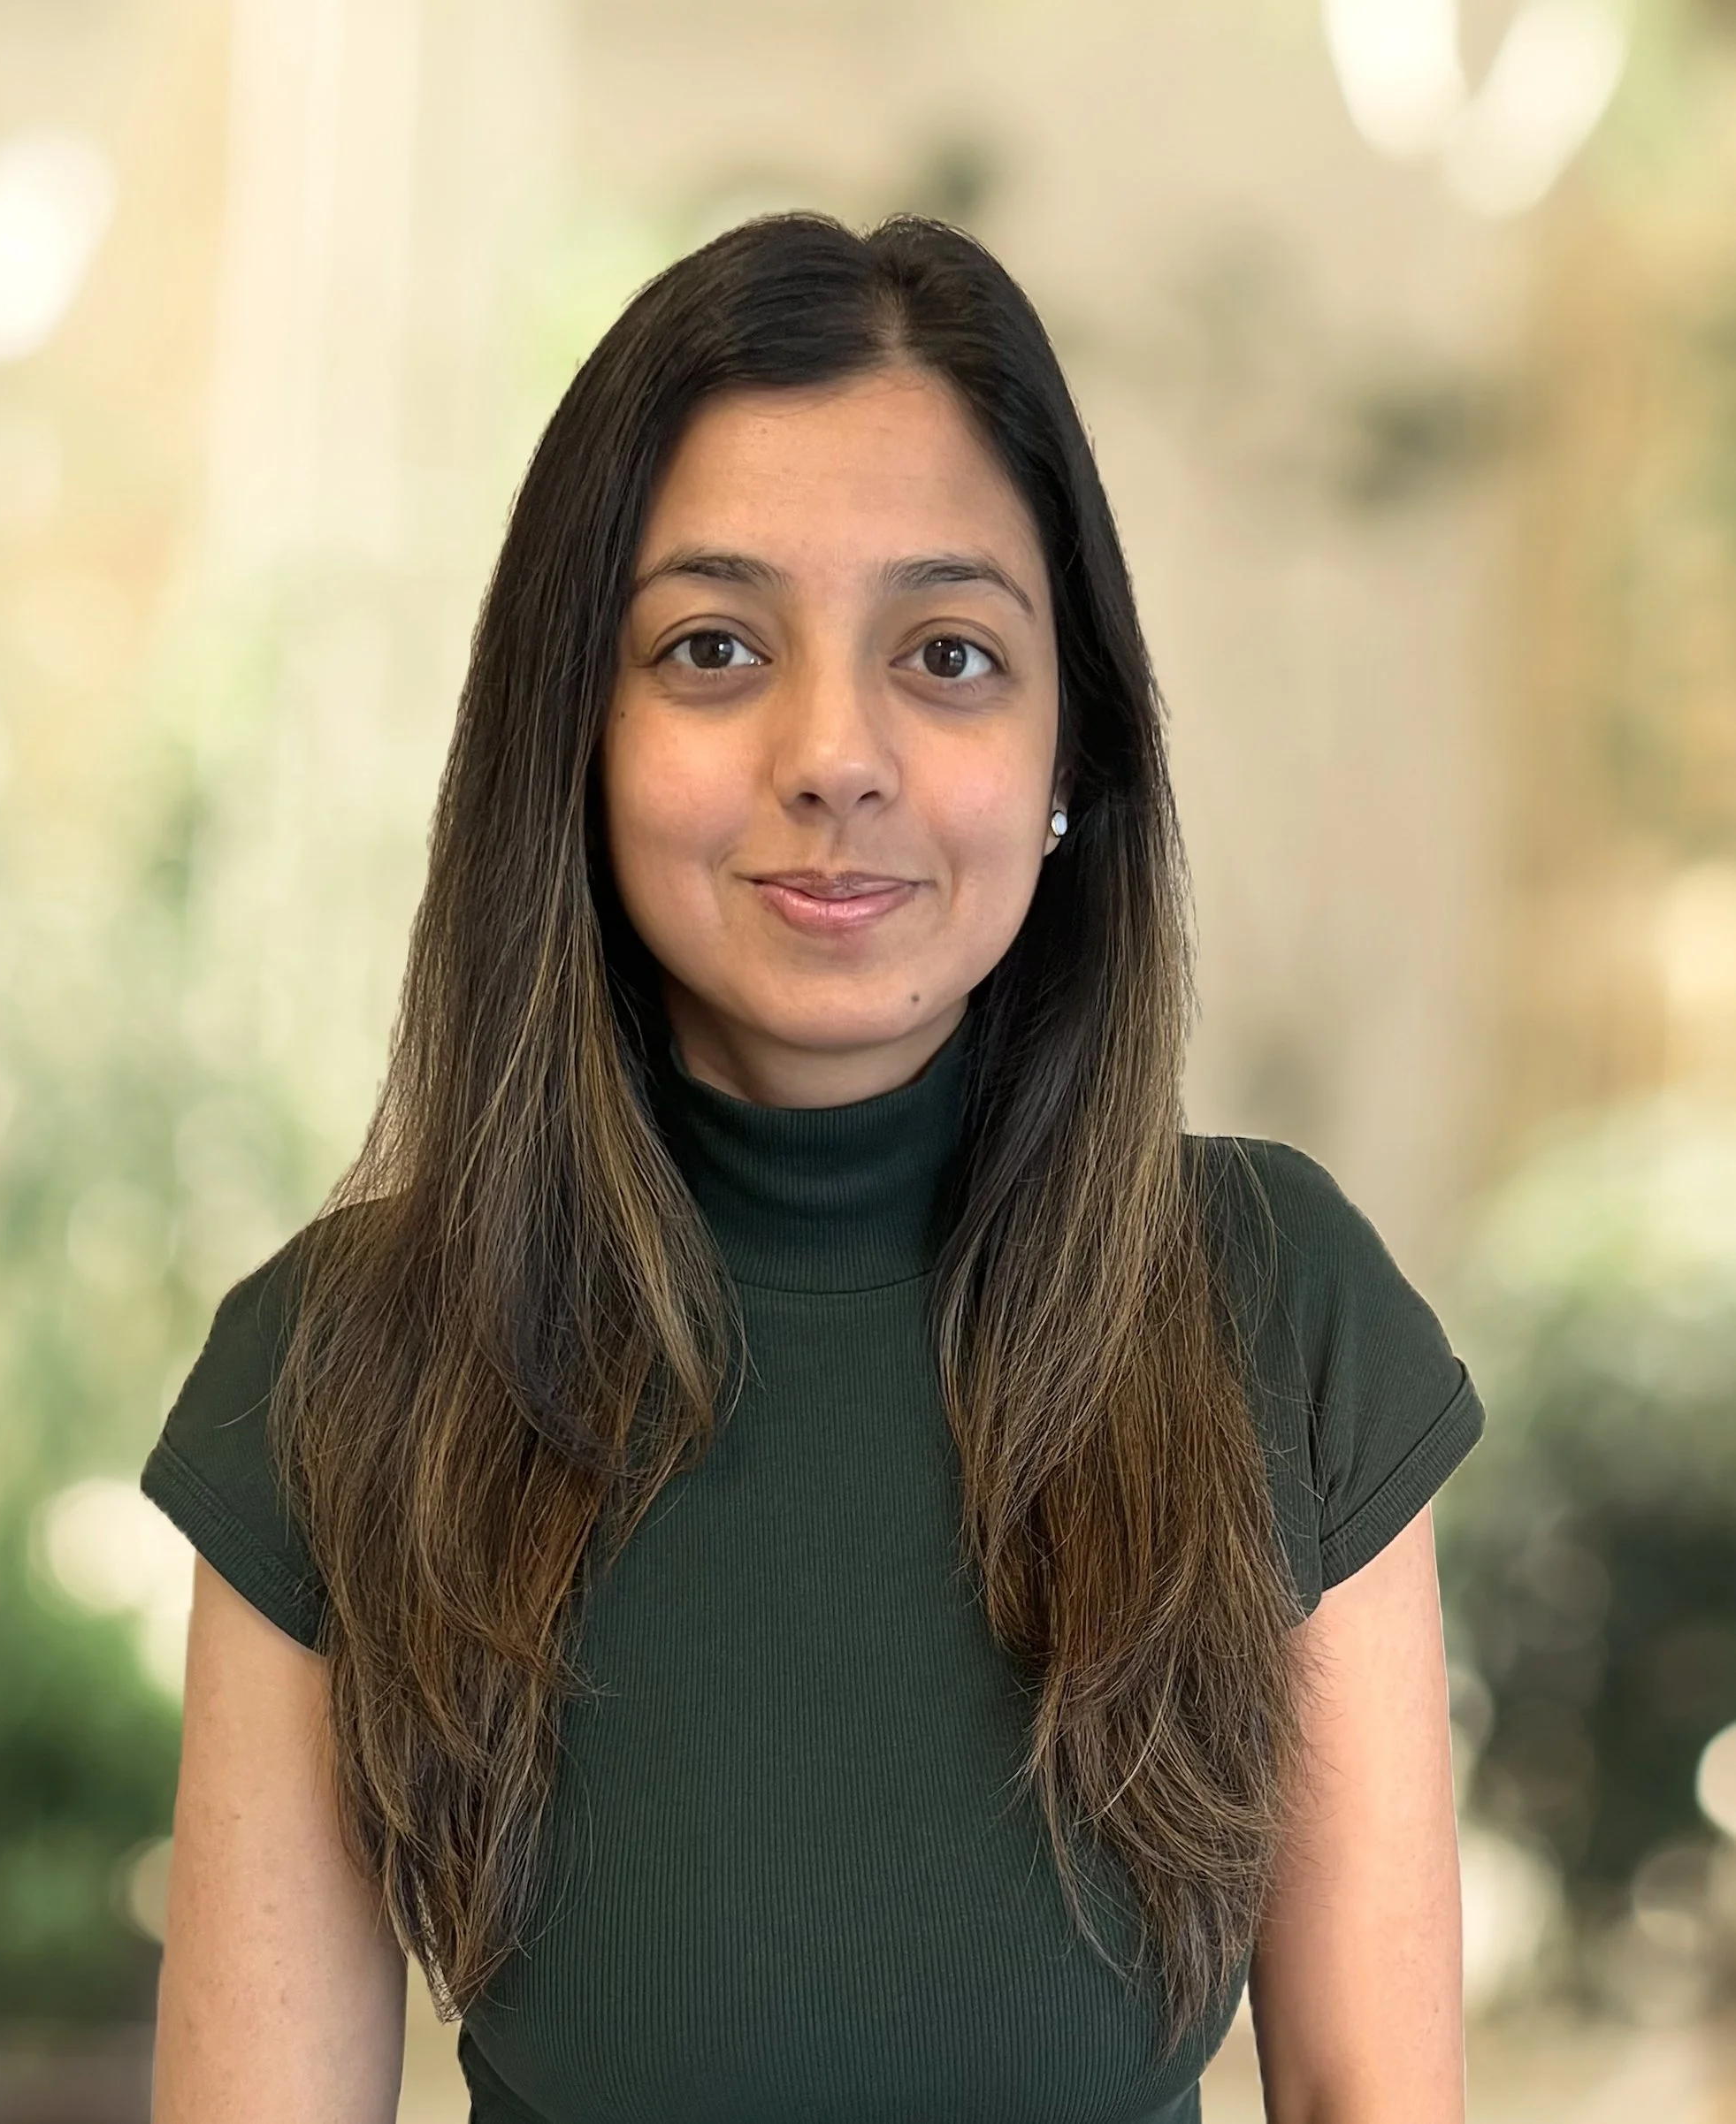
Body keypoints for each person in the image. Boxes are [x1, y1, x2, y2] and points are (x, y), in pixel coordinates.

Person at [140, 213, 1480, 2124]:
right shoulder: (343, 1374)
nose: (831, 752)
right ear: (573, 736)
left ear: (1064, 749)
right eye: (710, 648)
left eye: (945, 654)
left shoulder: (1277, 1312)